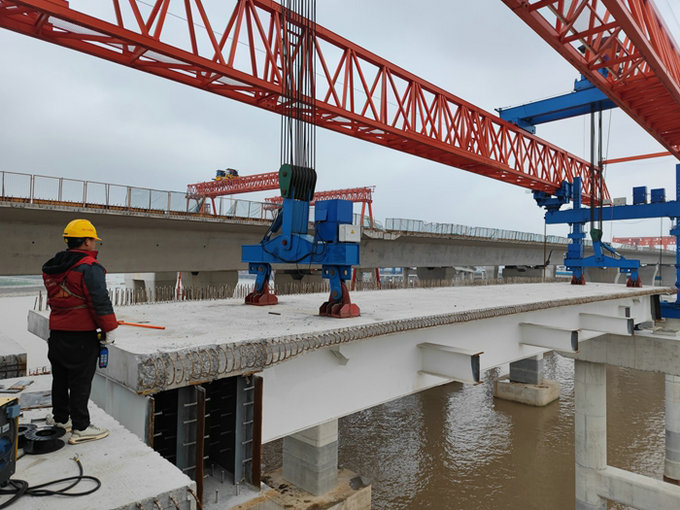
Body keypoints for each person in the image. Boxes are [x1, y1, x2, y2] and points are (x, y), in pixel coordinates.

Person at [42, 219, 118, 444]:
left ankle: (61, 419)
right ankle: (81, 427)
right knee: (80, 381)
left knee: (60, 378)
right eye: (93, 240)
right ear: (86, 241)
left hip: (57, 333)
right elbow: (99, 300)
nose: (94, 244)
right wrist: (110, 328)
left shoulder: (53, 267)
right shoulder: (89, 268)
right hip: (81, 336)